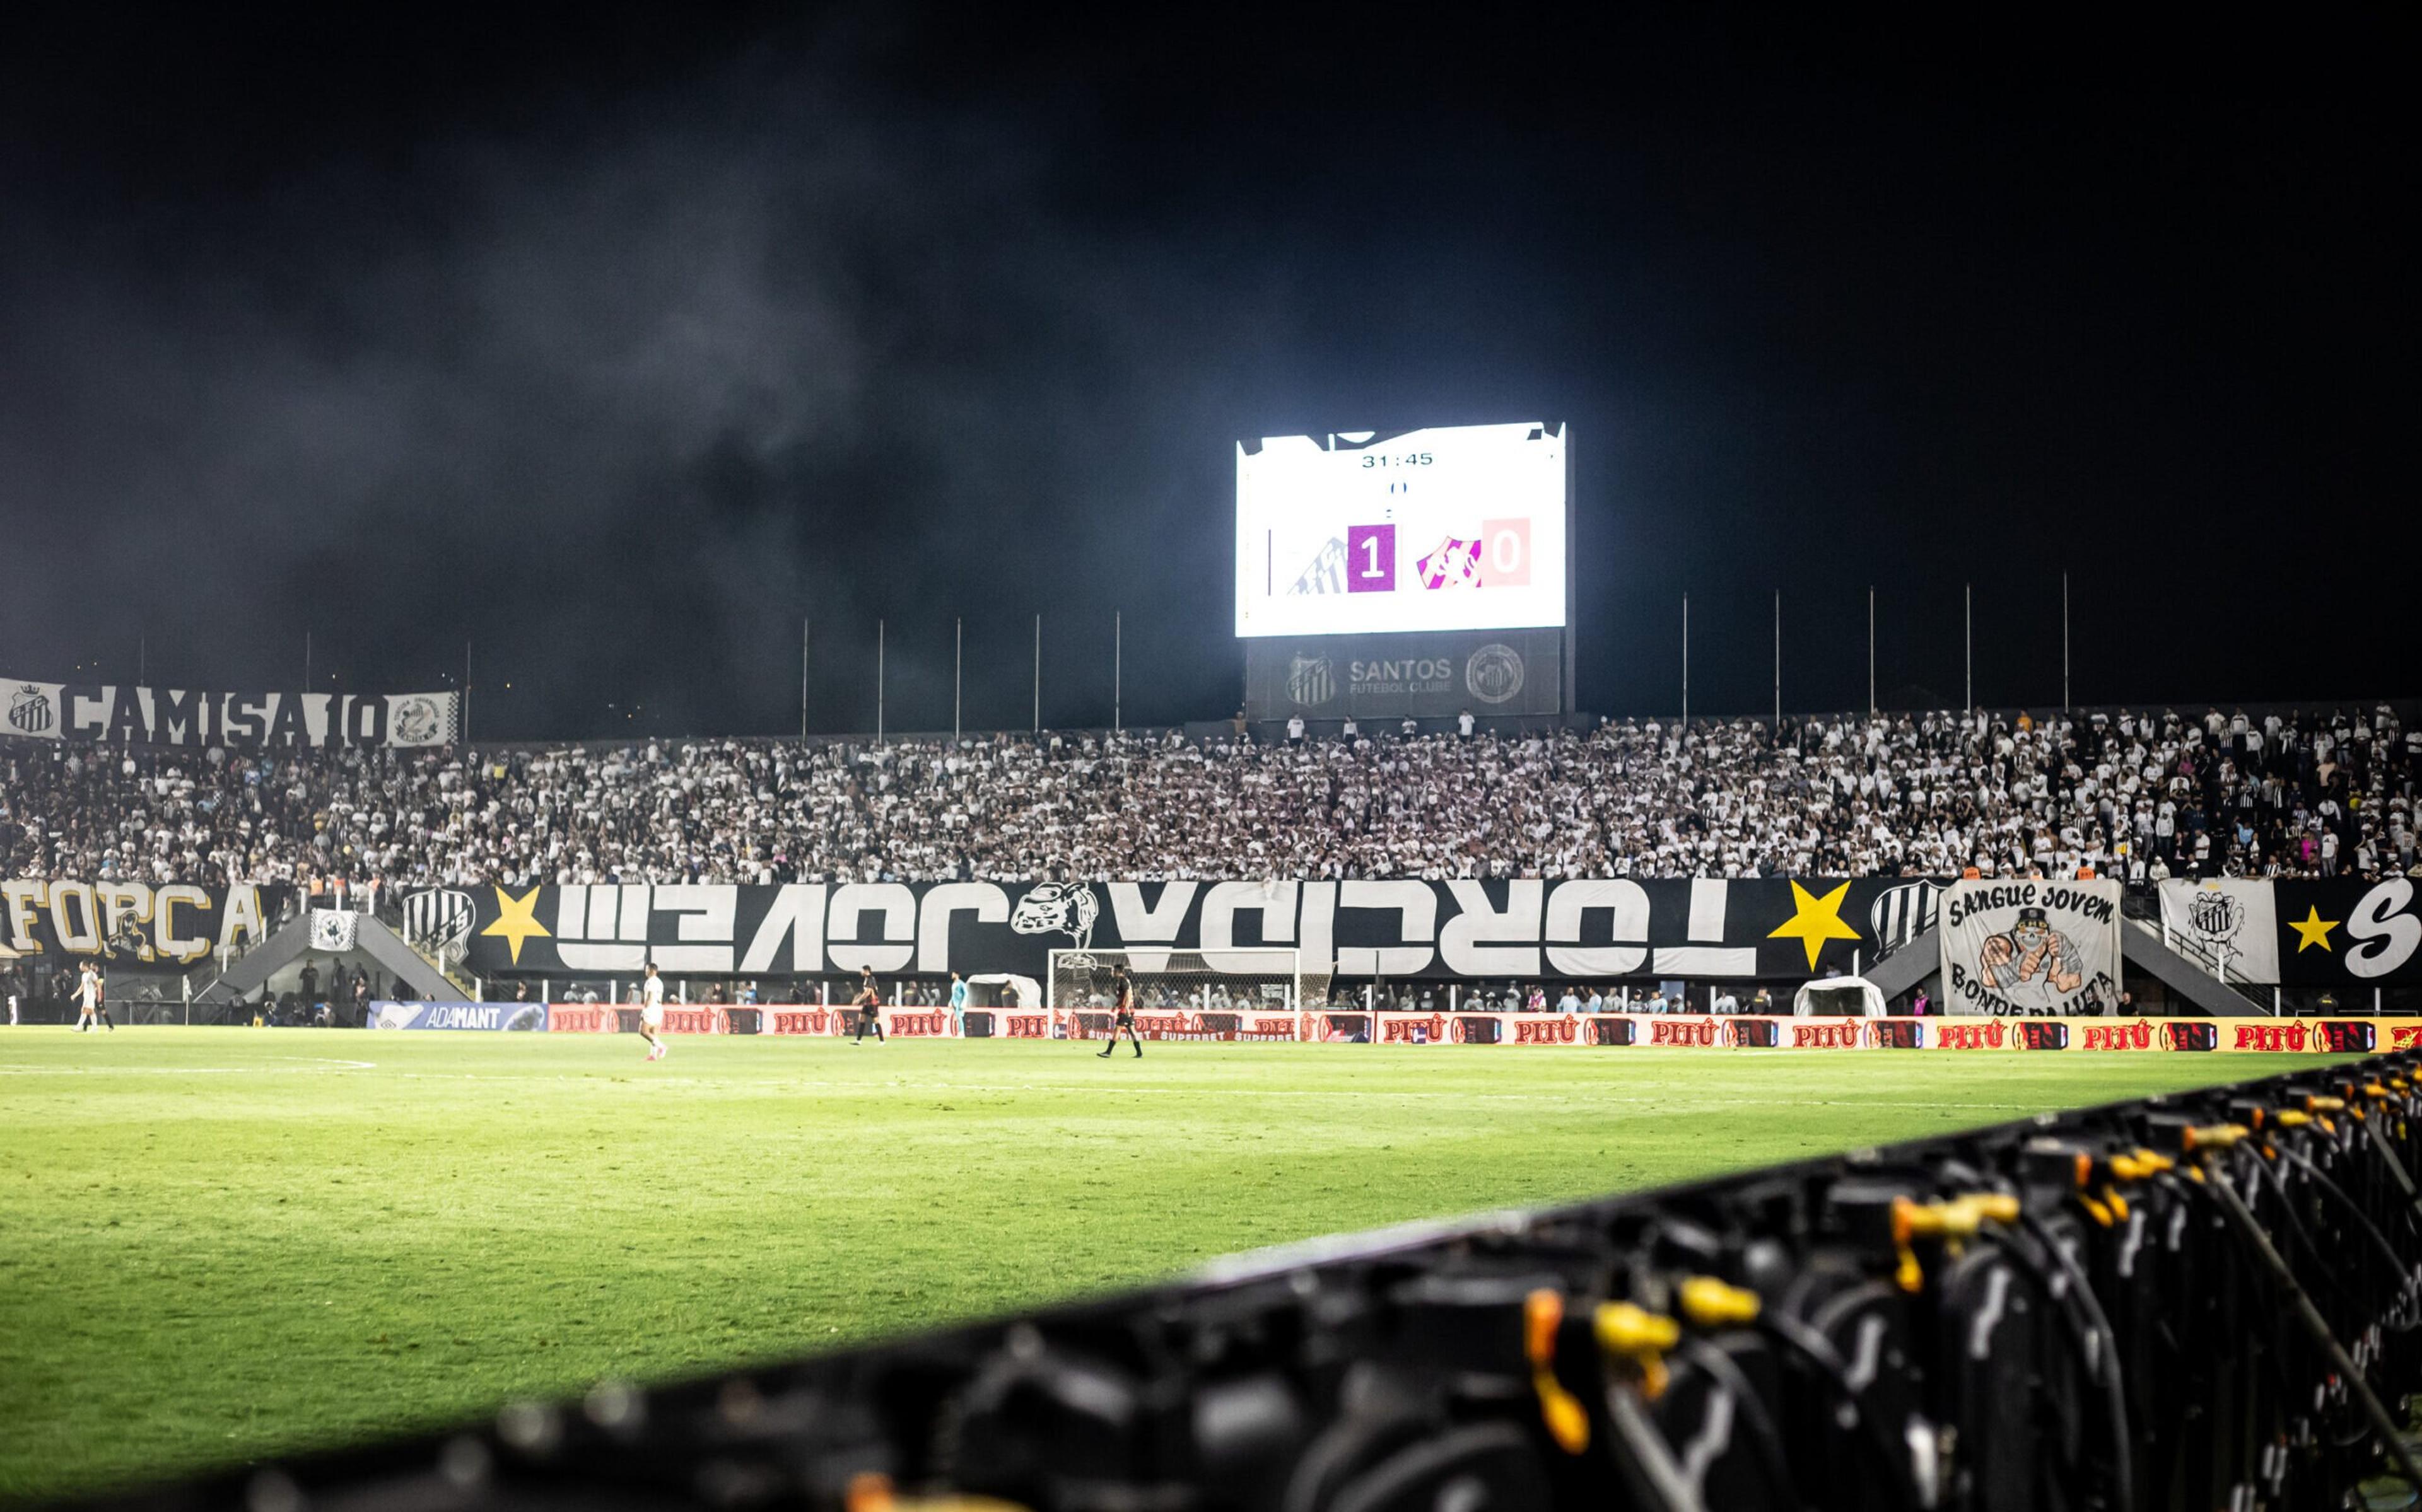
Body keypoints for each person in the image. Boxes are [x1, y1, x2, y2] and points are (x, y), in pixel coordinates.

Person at [1097, 962, 1142, 1058]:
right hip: (1128, 1009)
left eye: (1113, 970)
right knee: (1132, 1030)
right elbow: (1123, 996)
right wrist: (1117, 1006)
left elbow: (1128, 994)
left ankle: (1108, 1052)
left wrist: (1126, 1007)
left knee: (1117, 1030)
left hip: (1125, 1010)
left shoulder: (1123, 981)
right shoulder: (1123, 980)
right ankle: (1139, 1053)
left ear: (1117, 972)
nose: (1112, 972)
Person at [639, 962, 668, 1061]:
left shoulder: (650, 982)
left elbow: (650, 997)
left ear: (652, 970)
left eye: (647, 969)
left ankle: (662, 1047)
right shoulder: (660, 982)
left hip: (651, 1008)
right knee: (653, 1032)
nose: (645, 971)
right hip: (659, 1008)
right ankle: (653, 1055)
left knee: (643, 1031)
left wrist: (645, 1009)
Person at [76, 961, 113, 1033]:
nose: (92, 968)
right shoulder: (88, 974)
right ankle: (85, 1028)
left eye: (93, 967)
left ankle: (111, 1026)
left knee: (103, 1012)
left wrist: (97, 993)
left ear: (97, 967)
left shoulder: (100, 975)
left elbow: (100, 985)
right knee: (88, 1011)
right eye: (91, 967)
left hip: (98, 996)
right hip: (91, 996)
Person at [851, 968, 886, 1044]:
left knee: (875, 1021)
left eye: (862, 970)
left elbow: (868, 992)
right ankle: (858, 1040)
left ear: (867, 971)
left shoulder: (870, 979)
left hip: (873, 1003)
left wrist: (858, 1000)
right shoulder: (867, 979)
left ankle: (882, 1041)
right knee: (862, 1019)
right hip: (867, 1003)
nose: (861, 972)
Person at [949, 971, 968, 1035]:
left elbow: (966, 993)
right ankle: (960, 1032)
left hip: (960, 1003)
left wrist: (964, 1002)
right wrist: (951, 1002)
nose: (952, 975)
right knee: (957, 1018)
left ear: (957, 975)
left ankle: (962, 1033)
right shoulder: (954, 984)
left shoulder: (961, 983)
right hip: (955, 1003)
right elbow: (953, 995)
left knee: (960, 1018)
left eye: (953, 974)